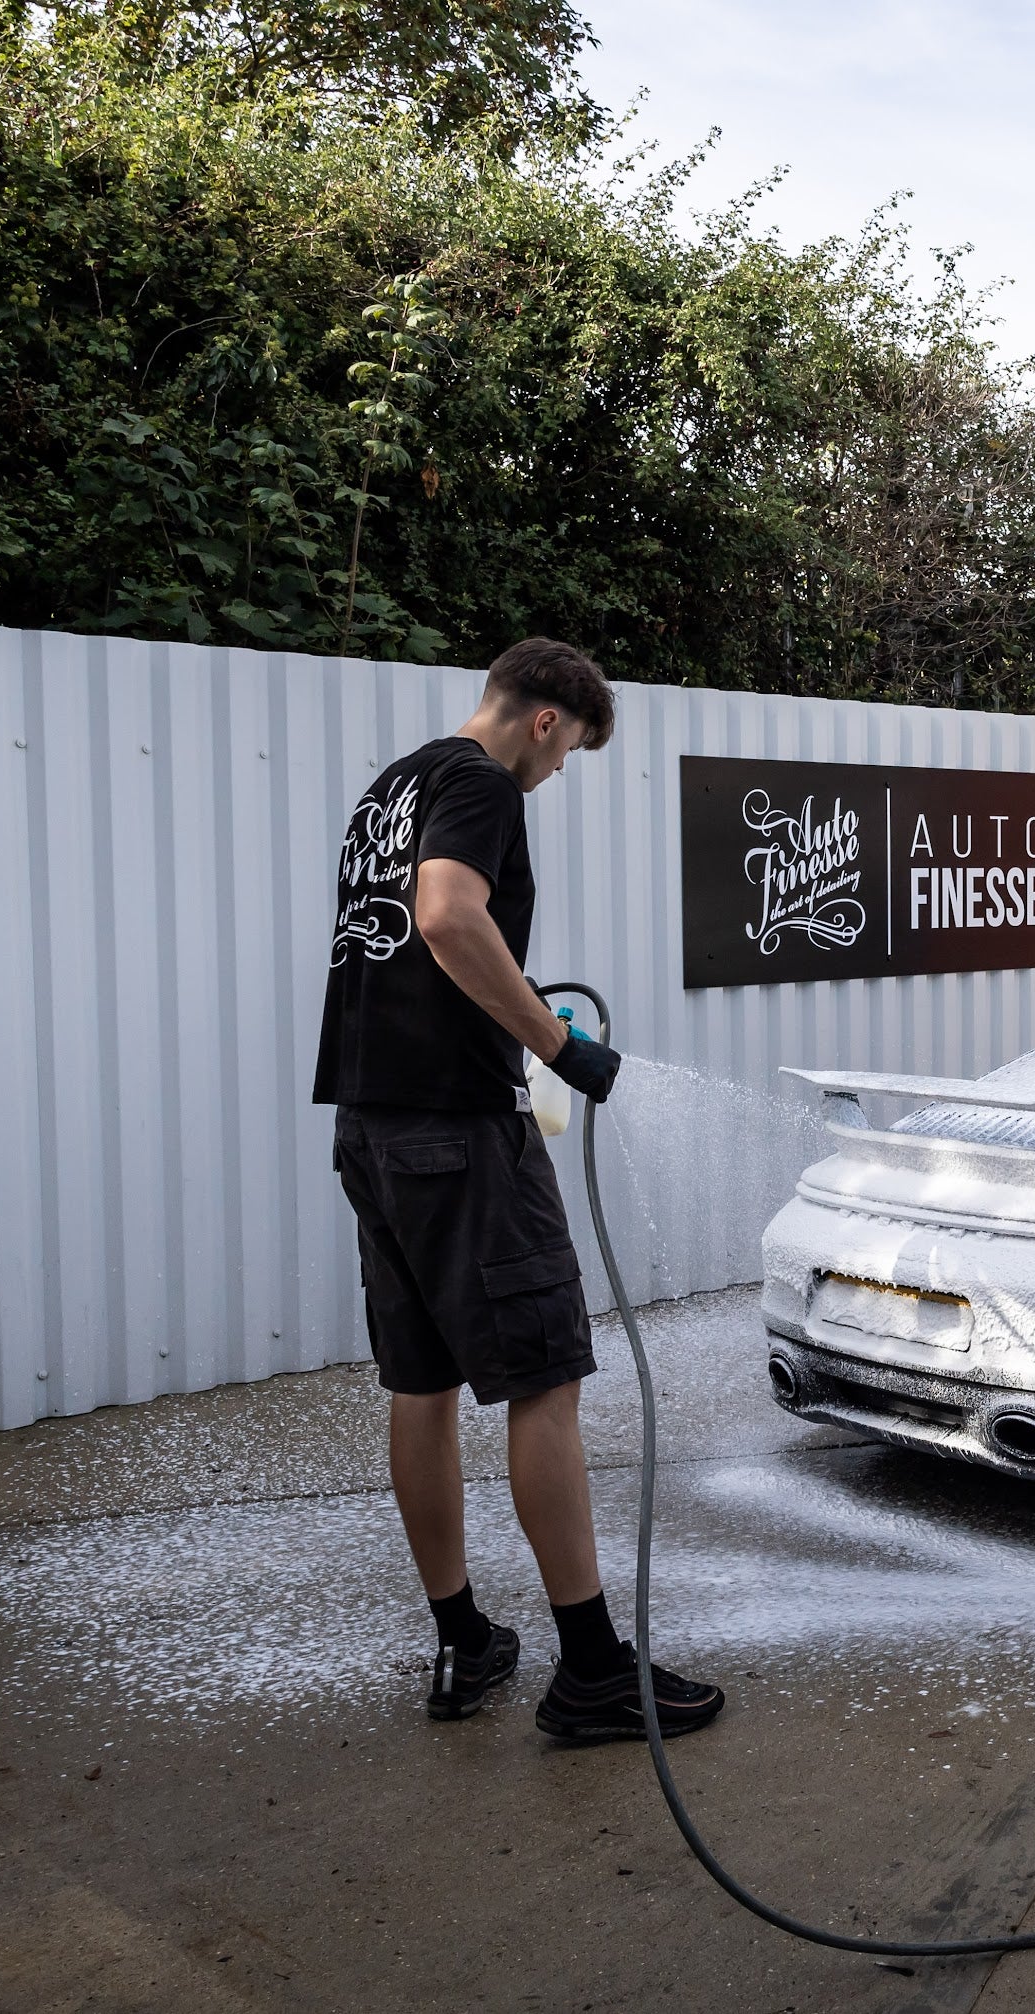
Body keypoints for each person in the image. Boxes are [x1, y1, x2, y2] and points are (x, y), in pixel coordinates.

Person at [314, 637, 724, 1743]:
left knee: (423, 1384)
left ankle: (463, 1642)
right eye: (570, 752)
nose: (556, 774)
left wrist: (512, 1004)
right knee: (545, 1377)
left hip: (373, 1125)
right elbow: (448, 915)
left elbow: (416, 939)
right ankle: (591, 1668)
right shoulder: (482, 780)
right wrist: (553, 1043)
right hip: (456, 1132)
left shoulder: (391, 785)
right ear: (546, 720)